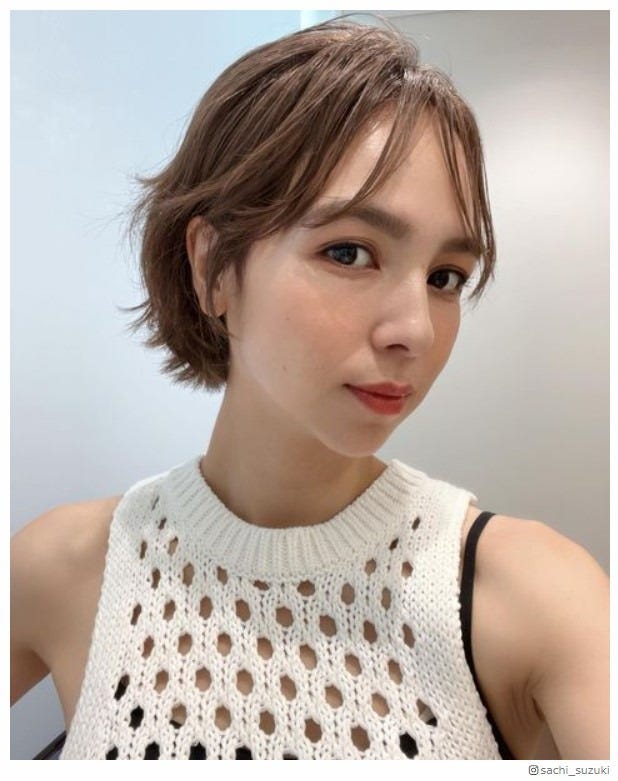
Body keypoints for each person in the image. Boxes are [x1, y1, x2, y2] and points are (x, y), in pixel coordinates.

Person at [10, 18, 608, 761]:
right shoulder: (66, 565)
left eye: (445, 276)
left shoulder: (534, 596)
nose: (416, 330)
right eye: (349, 252)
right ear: (213, 268)